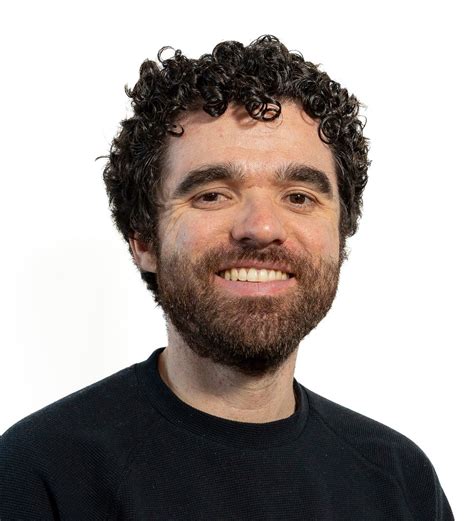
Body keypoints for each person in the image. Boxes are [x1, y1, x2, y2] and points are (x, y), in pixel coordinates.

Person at [0, 35, 454, 520]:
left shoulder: (400, 481)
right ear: (144, 240)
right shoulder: (36, 475)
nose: (262, 227)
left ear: (340, 234)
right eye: (212, 195)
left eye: (299, 197)